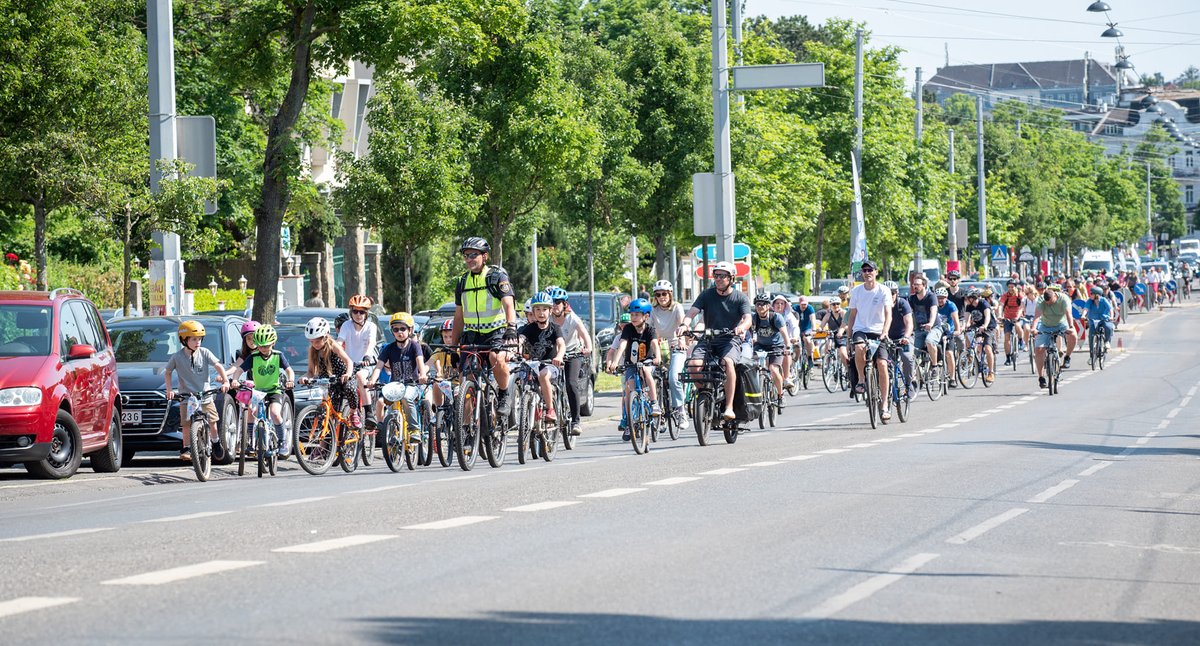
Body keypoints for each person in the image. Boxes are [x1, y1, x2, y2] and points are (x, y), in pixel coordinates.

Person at [451, 237, 518, 417]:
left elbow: (509, 304)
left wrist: (511, 327)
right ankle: (465, 429)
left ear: (484, 256)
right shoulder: (462, 282)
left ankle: (504, 393)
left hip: (496, 332)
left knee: (496, 357)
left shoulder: (496, 277)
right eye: (466, 256)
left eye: (473, 255)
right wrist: (452, 346)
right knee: (465, 380)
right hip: (472, 335)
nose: (469, 259)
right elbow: (459, 317)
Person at [677, 261, 752, 421]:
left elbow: (748, 319)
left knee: (727, 362)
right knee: (693, 365)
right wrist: (684, 325)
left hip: (729, 339)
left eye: (722, 276)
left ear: (731, 278)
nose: (718, 279)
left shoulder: (740, 297)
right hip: (708, 339)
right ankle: (706, 394)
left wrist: (742, 327)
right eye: (716, 275)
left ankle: (729, 407)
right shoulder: (707, 294)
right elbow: (692, 312)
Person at [164, 321, 229, 462]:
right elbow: (168, 372)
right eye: (194, 339)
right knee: (186, 424)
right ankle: (187, 447)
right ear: (184, 340)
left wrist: (225, 381)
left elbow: (218, 365)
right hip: (187, 397)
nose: (197, 342)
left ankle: (216, 441)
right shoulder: (177, 357)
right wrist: (169, 390)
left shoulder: (205, 353)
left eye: (199, 339)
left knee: (212, 421)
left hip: (204, 395)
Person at [227, 325, 295, 455]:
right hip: (258, 391)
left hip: (274, 390)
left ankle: (282, 441)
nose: (263, 349)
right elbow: (240, 369)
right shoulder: (253, 357)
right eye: (261, 346)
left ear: (273, 343)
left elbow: (289, 370)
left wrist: (290, 380)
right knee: (252, 412)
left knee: (275, 413)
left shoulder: (278, 356)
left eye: (267, 346)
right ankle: (251, 441)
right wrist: (235, 379)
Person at [841, 260, 893, 419]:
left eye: (870, 270)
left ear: (876, 272)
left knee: (882, 364)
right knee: (859, 347)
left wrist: (884, 332)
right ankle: (862, 380)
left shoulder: (884, 290)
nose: (867, 273)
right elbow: (852, 315)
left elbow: (888, 314)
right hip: (861, 329)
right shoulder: (856, 291)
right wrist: (849, 335)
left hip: (878, 331)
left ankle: (884, 405)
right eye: (864, 270)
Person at [366, 312, 427, 444]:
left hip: (412, 384)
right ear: (392, 331)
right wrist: (372, 380)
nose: (399, 332)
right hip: (395, 385)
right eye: (395, 329)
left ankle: (414, 430)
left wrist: (422, 374)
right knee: (384, 403)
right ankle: (390, 429)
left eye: (403, 328)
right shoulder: (389, 348)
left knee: (405, 398)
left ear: (410, 330)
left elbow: (420, 361)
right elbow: (379, 366)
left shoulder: (414, 346)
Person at [609, 298, 661, 439]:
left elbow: (655, 344)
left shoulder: (650, 329)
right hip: (631, 363)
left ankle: (654, 403)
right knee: (629, 390)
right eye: (632, 315)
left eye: (637, 315)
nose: (633, 317)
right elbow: (623, 345)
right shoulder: (628, 329)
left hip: (647, 362)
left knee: (645, 371)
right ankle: (630, 422)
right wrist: (614, 362)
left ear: (646, 316)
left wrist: (657, 357)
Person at [547, 287, 591, 435]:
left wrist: (588, 348)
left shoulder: (572, 317)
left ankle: (576, 421)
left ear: (564, 304)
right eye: (552, 302)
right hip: (555, 354)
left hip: (573, 353)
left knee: (571, 383)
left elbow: (584, 333)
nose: (555, 305)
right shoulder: (548, 318)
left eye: (558, 302)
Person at [520, 292, 567, 424]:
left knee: (543, 375)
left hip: (550, 366)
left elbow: (561, 344)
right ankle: (525, 412)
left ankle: (551, 410)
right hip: (533, 365)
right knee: (523, 378)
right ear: (533, 312)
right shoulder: (529, 328)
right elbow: (521, 340)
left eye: (544, 309)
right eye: (538, 310)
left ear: (550, 311)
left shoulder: (555, 328)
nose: (541, 313)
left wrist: (559, 356)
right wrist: (514, 350)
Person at [338, 294, 380, 428]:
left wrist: (367, 356)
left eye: (361, 312)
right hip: (350, 364)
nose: (358, 314)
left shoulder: (370, 326)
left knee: (360, 376)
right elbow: (339, 342)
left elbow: (371, 343)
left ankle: (369, 413)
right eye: (355, 311)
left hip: (366, 363)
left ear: (366, 313)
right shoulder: (346, 325)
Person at [649, 280, 688, 425]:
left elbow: (682, 325)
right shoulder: (653, 310)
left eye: (664, 293)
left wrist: (682, 340)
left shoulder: (677, 307)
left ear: (670, 294)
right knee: (649, 376)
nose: (661, 297)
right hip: (658, 347)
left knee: (673, 378)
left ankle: (680, 410)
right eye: (658, 294)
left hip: (675, 346)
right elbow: (649, 329)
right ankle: (656, 409)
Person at [1033, 283, 1077, 389]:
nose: (1048, 305)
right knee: (1039, 349)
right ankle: (1041, 377)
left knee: (1073, 336)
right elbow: (1037, 316)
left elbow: (1068, 314)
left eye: (1050, 302)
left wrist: (1071, 327)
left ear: (1055, 296)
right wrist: (1033, 328)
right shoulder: (1041, 300)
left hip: (1061, 323)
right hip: (1045, 325)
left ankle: (1067, 357)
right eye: (1046, 303)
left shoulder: (1064, 299)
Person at [750, 292, 792, 401]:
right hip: (761, 346)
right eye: (757, 304)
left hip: (776, 346)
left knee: (773, 369)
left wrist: (787, 347)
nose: (760, 307)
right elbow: (747, 332)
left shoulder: (776, 317)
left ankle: (780, 395)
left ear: (768, 306)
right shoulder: (754, 318)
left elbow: (784, 333)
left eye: (763, 304)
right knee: (753, 367)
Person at [884, 281, 915, 402]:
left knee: (907, 358)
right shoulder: (880, 305)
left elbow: (909, 322)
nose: (890, 296)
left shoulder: (902, 303)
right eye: (887, 293)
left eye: (892, 293)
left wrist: (906, 337)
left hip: (903, 338)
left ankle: (909, 384)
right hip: (887, 338)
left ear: (896, 293)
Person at [962, 289, 997, 383]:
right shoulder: (969, 306)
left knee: (987, 348)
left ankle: (991, 372)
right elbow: (966, 319)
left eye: (968, 298)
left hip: (988, 326)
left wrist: (984, 326)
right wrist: (964, 326)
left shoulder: (983, 303)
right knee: (971, 341)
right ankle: (970, 359)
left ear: (973, 298)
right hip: (977, 326)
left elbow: (988, 316)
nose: (966, 300)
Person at [908, 275, 941, 371]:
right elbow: (908, 314)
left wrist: (930, 323)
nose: (915, 286)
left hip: (934, 328)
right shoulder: (911, 298)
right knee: (911, 352)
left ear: (924, 285)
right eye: (914, 284)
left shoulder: (931, 296)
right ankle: (914, 377)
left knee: (929, 341)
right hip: (919, 330)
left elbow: (933, 311)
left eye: (917, 284)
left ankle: (934, 366)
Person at [774, 294, 802, 393]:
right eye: (777, 303)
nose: (779, 305)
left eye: (782, 303)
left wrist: (794, 337)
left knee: (786, 353)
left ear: (785, 305)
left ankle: (787, 377)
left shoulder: (789, 316)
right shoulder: (770, 315)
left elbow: (795, 327)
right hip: (773, 342)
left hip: (787, 341)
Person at [935, 287, 961, 384]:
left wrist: (956, 331)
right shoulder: (934, 306)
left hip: (948, 331)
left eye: (942, 298)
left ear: (946, 298)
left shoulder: (951, 306)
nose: (940, 300)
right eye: (938, 298)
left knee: (949, 354)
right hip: (936, 331)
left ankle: (952, 378)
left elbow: (956, 322)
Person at [998, 280, 1025, 364]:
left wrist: (1018, 316)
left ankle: (1021, 340)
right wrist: (999, 315)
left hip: (1017, 317)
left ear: (1015, 287)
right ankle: (1008, 358)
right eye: (1009, 287)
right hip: (1007, 318)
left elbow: (1021, 307)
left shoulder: (1019, 296)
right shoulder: (1005, 296)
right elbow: (1001, 306)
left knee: (1017, 325)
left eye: (1012, 287)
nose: (1010, 289)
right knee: (1007, 338)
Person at [1084, 286, 1114, 351]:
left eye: (1091, 294)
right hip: (1093, 320)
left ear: (1097, 295)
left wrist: (1111, 317)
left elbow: (1110, 309)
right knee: (1091, 334)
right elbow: (1086, 309)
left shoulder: (1103, 300)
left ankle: (1107, 341)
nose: (1090, 295)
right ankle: (1092, 352)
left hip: (1103, 319)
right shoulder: (1089, 301)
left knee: (1108, 327)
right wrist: (1083, 315)